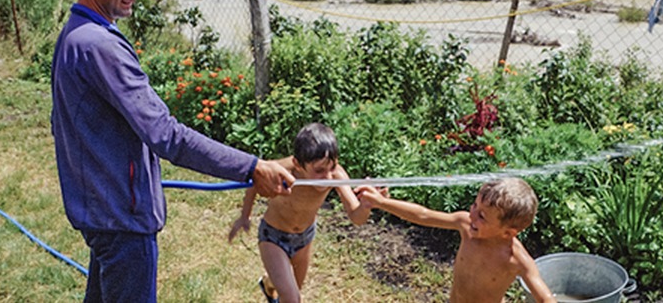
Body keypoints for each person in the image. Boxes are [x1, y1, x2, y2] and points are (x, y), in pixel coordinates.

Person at [51, 0, 295, 303]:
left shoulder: (78, 33)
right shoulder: (100, 46)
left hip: (102, 211)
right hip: (121, 219)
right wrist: (251, 167)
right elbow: (167, 135)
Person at [227, 123, 373, 303]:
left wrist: (366, 206)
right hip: (273, 237)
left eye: (332, 167)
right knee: (292, 298)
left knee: (288, 290)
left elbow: (356, 217)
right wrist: (244, 216)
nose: (327, 177)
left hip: (304, 239)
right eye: (319, 171)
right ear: (298, 164)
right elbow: (254, 184)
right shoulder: (283, 170)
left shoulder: (336, 175)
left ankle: (268, 284)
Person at [356, 178, 557, 303]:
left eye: (482, 217)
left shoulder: (516, 259)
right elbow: (424, 215)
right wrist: (381, 202)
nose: (473, 215)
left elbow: (545, 297)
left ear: (508, 233)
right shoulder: (466, 226)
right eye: (474, 206)